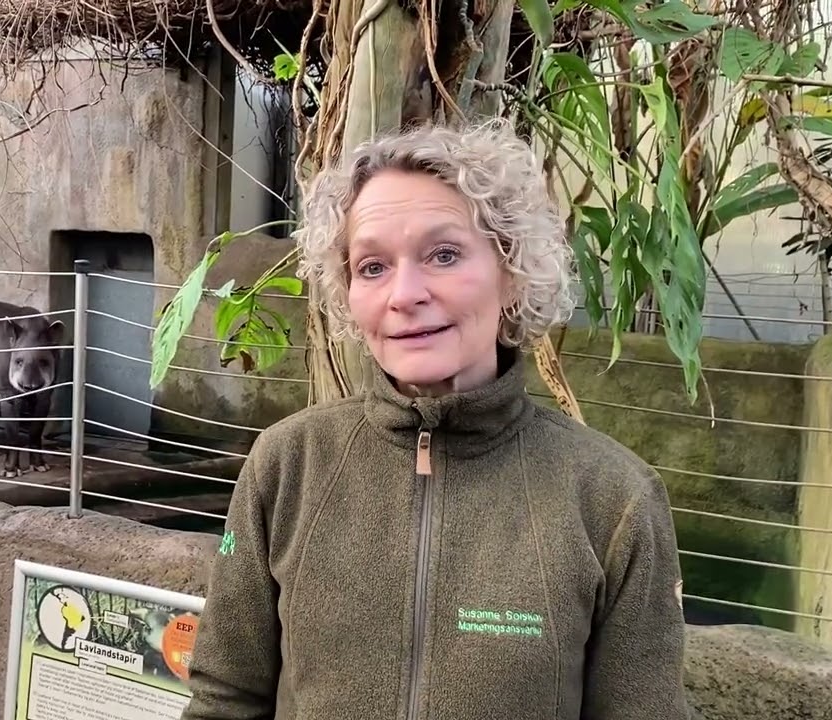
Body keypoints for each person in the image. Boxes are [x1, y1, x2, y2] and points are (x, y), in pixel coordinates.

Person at [178, 119, 689, 720]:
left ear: (512, 271)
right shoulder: (289, 464)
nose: (404, 294)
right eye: (372, 267)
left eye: (443, 254)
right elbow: (226, 699)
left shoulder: (612, 499)